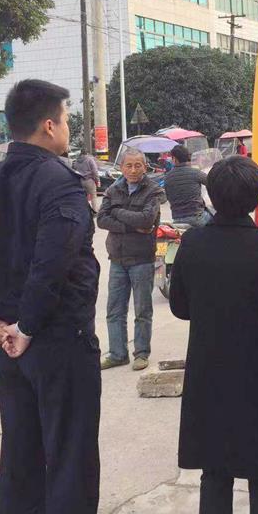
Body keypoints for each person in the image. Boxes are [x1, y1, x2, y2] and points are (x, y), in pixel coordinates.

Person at [0, 79, 101, 514]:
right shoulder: (61, 182)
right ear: (49, 126)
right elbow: (54, 263)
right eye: (67, 120)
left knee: (21, 454)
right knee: (71, 457)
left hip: (9, 343)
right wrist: (26, 326)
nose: (68, 129)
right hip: (56, 340)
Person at [169, 155, 258, 514]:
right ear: (257, 197)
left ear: (212, 196)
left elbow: (180, 307)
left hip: (209, 375)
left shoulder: (193, 244)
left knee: (215, 471)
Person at [98, 146, 163, 371]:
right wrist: (129, 226)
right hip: (117, 258)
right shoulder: (113, 190)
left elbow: (146, 220)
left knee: (142, 310)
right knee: (115, 310)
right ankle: (118, 353)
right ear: (122, 167)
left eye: (138, 165)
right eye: (129, 165)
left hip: (142, 259)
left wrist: (117, 213)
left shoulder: (153, 191)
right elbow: (101, 220)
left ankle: (141, 353)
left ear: (145, 167)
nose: (133, 170)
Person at [163, 145, 210, 228]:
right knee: (217, 223)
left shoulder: (167, 177)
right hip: (197, 218)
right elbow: (213, 182)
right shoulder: (195, 172)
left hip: (177, 219)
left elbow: (167, 197)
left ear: (174, 159)